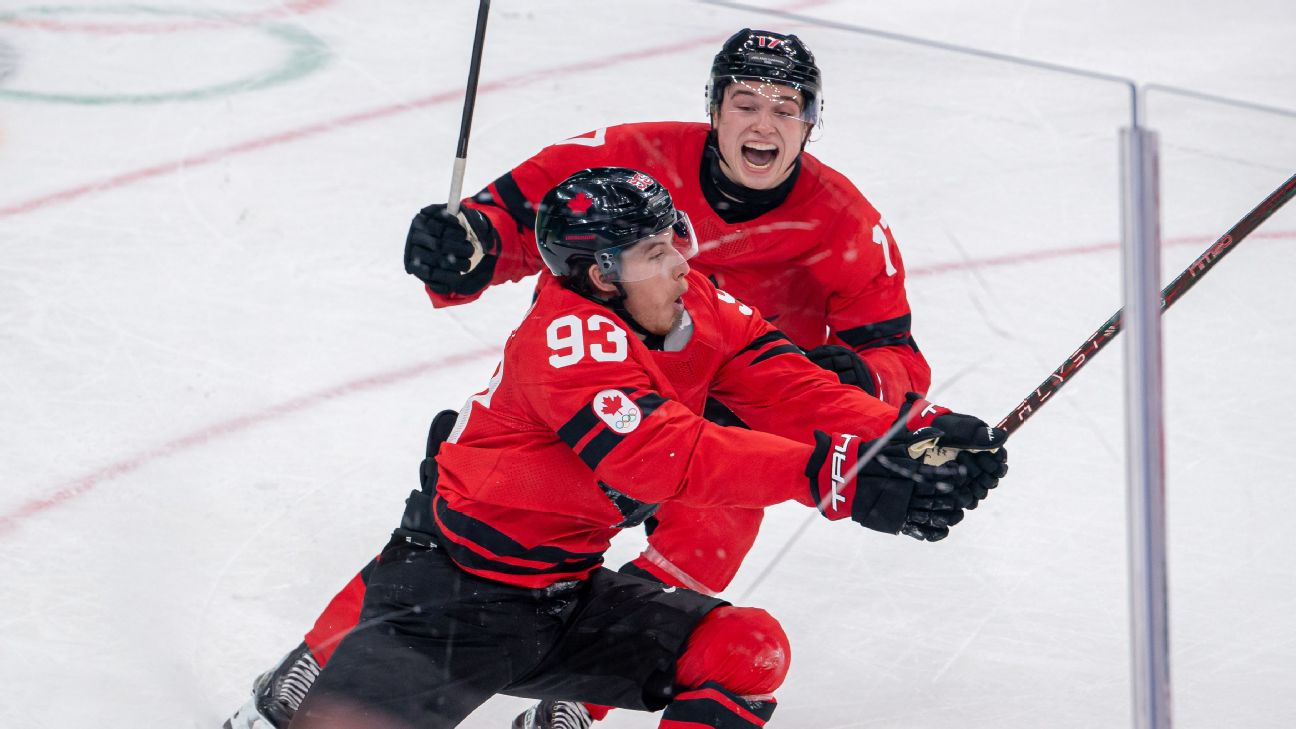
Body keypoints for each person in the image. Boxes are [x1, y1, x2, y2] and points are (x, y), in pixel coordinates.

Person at [224, 28, 950, 729]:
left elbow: (865, 363)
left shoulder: (832, 232)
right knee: (459, 527)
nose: (765, 122)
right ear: (715, 107)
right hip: (587, 404)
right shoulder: (622, 169)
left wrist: (906, 421)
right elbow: (515, 219)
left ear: (811, 121)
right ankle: (320, 660)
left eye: (787, 106)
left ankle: (578, 693)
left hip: (716, 415)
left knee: (710, 553)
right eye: (747, 102)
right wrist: (468, 243)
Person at [283, 167, 1007, 729]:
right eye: (657, 252)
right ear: (602, 275)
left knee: (746, 648)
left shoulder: (693, 307)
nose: (683, 266)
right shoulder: (565, 339)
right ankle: (301, 678)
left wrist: (909, 429)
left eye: (677, 241)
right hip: (449, 597)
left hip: (563, 596)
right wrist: (831, 475)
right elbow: (666, 456)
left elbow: (788, 380)